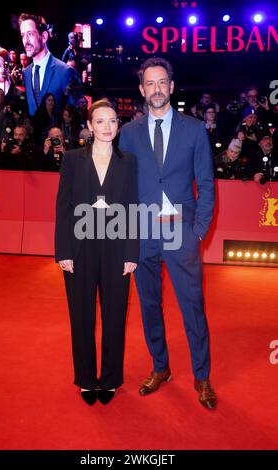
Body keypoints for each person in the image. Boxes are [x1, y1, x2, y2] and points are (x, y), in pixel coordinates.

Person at [119, 57, 217, 409]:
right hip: (143, 233)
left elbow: (206, 184)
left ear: (171, 87)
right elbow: (122, 184)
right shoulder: (128, 134)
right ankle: (160, 368)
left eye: (163, 82)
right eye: (151, 83)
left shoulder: (194, 130)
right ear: (142, 90)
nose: (157, 89)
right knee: (149, 306)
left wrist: (198, 232)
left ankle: (202, 376)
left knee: (192, 305)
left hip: (181, 232)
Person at [55, 100, 138, 405]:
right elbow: (63, 207)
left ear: (119, 125)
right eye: (100, 121)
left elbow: (132, 207)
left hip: (117, 249)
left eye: (112, 121)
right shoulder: (73, 160)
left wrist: (132, 252)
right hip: (79, 248)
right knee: (81, 316)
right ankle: (87, 379)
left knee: (115, 317)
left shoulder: (129, 161)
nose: (107, 127)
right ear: (89, 126)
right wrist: (63, 250)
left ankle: (111, 378)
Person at [18, 13, 77, 116]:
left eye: (30, 34)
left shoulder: (65, 71)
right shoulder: (26, 73)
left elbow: (74, 114)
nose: (25, 41)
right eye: (23, 35)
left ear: (44, 37)